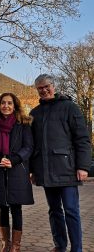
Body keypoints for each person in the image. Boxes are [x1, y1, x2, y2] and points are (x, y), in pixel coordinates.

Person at [30, 74, 91, 252]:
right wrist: (33, 170)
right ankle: (60, 246)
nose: (44, 90)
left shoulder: (69, 107)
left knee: (71, 210)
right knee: (54, 210)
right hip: (46, 171)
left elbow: (82, 139)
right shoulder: (35, 113)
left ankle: (77, 248)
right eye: (40, 88)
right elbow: (32, 145)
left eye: (46, 86)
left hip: (67, 169)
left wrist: (83, 166)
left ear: (54, 86)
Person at [0, 93, 34, 252]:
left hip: (17, 170)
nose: (6, 106)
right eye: (3, 103)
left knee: (16, 208)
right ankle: (5, 243)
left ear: (15, 106)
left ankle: (15, 245)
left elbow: (28, 147)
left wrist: (13, 160)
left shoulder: (24, 124)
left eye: (9, 103)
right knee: (2, 207)